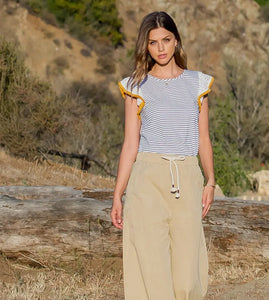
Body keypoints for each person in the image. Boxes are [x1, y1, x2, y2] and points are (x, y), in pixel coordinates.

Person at [111, 11, 215, 300]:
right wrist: (117, 194)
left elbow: (203, 138)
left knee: (186, 278)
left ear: (176, 41)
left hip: (187, 177)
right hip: (146, 179)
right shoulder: (135, 86)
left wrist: (210, 181)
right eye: (153, 42)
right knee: (151, 269)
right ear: (146, 46)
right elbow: (130, 143)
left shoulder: (197, 83)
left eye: (166, 40)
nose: (160, 48)